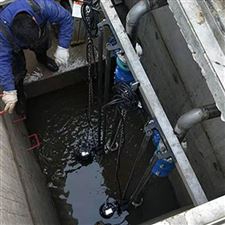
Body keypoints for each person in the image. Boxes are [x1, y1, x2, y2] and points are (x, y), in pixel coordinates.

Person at [0, 0, 73, 115]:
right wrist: (9, 89)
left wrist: (63, 46)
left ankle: (43, 59)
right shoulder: (2, 32)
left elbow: (66, 18)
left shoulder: (43, 6)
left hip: (40, 34)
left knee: (42, 46)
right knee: (17, 70)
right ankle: (19, 93)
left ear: (33, 19)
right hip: (14, 45)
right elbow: (2, 61)